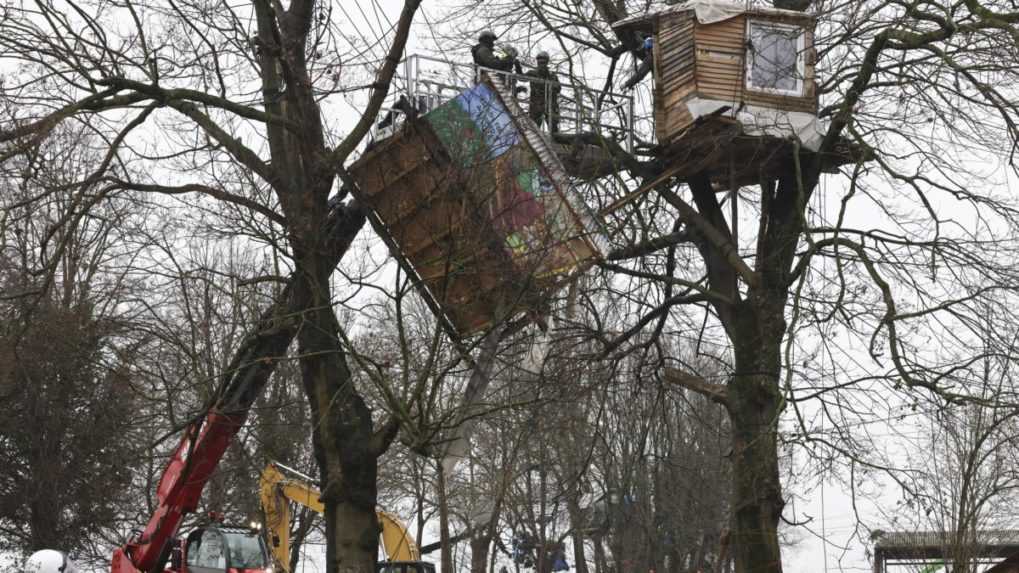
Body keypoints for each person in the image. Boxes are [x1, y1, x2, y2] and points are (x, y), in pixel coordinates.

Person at [525, 51, 560, 132]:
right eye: (539, 62)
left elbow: (558, 89)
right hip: (536, 104)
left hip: (550, 105)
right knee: (534, 129)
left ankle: (556, 141)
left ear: (547, 63)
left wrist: (552, 85)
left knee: (553, 129)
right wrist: (517, 67)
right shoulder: (532, 73)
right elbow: (522, 78)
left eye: (543, 62)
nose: (541, 64)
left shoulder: (552, 76)